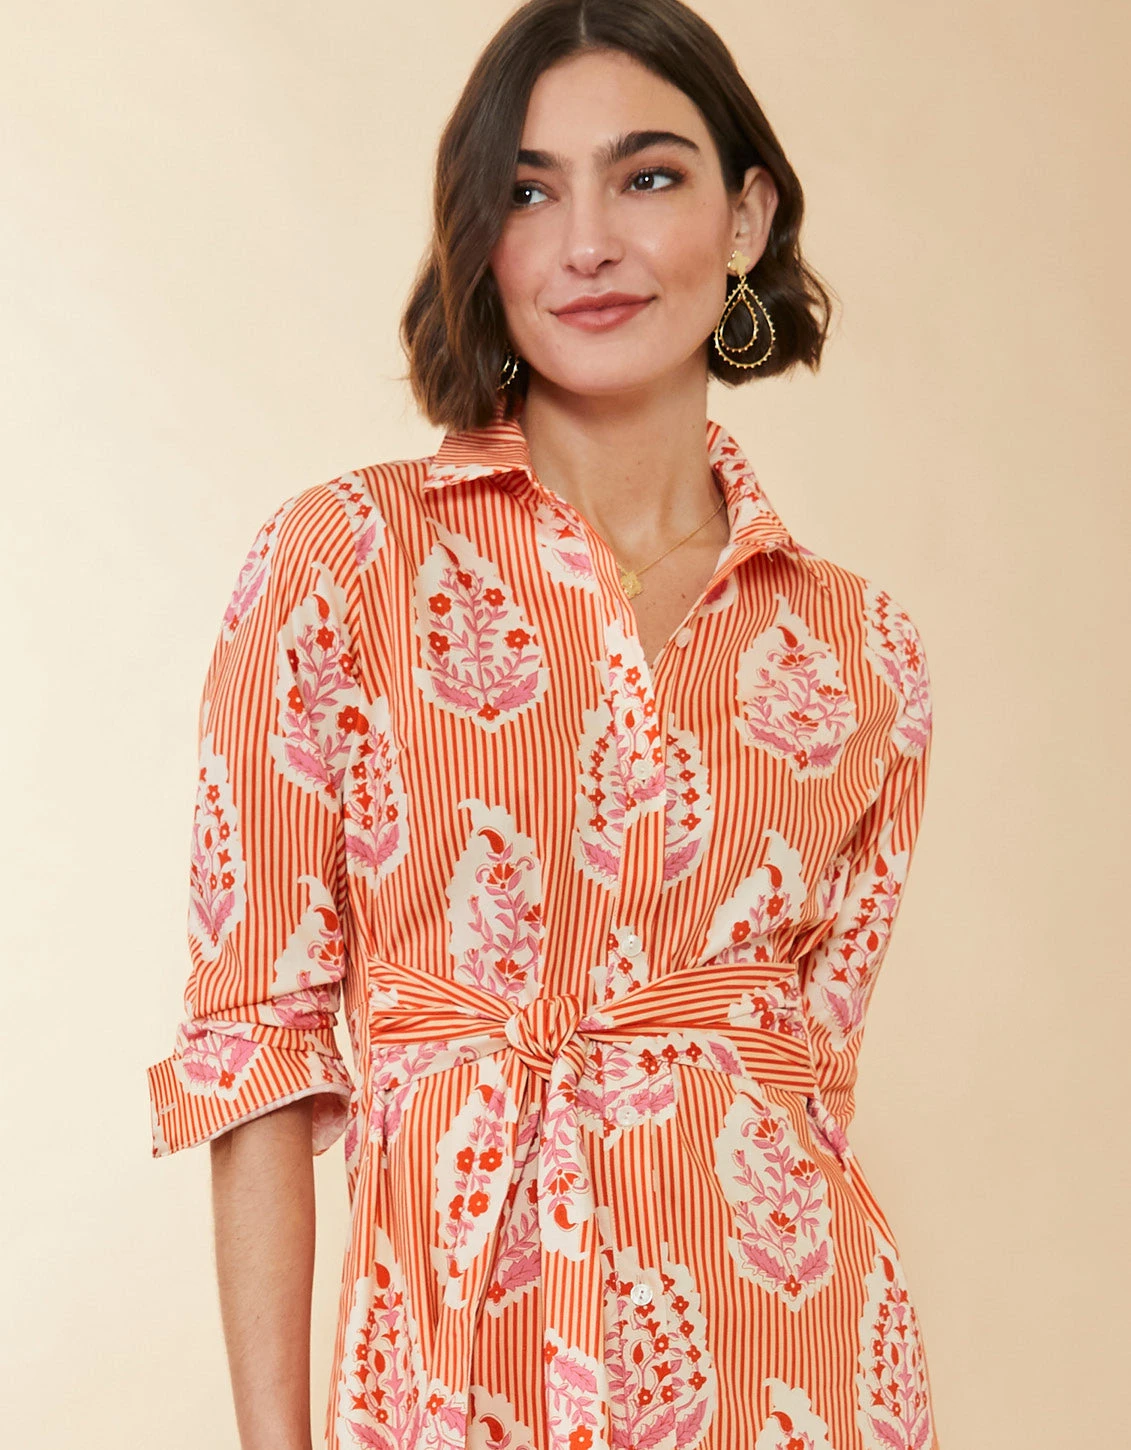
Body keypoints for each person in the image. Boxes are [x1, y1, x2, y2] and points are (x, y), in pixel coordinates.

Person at [145, 2, 939, 1448]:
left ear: (747, 216)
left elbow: (810, 1086)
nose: (586, 242)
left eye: (647, 176)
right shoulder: (343, 564)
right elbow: (254, 1045)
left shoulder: (860, 651)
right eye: (527, 191)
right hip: (457, 1371)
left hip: (795, 1371)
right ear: (480, 239)